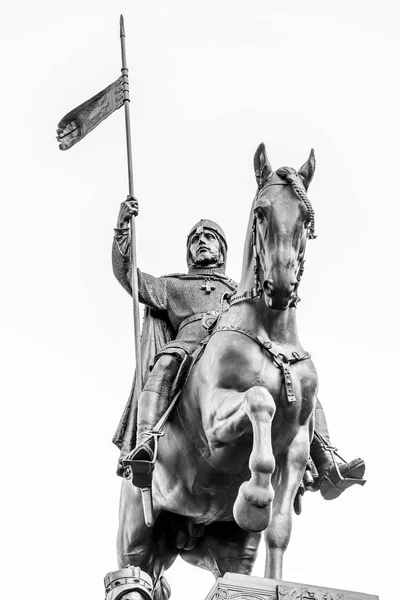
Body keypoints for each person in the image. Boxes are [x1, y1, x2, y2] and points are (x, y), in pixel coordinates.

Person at [112, 196, 365, 500]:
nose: (201, 242)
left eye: (208, 237)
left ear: (222, 249)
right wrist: (122, 229)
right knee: (166, 361)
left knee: (297, 378)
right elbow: (129, 277)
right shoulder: (173, 286)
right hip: (191, 348)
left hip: (241, 355)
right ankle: (146, 445)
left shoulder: (240, 289)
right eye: (194, 240)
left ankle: (325, 464)